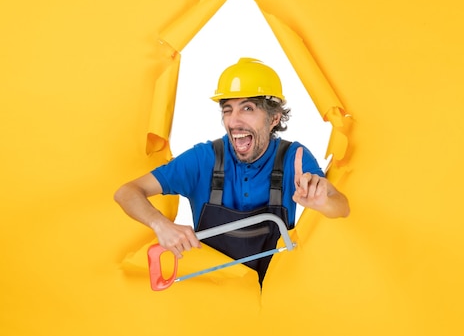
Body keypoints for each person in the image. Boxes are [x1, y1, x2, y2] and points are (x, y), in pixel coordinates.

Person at [114, 57, 350, 284]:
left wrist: (323, 202)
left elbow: (341, 206)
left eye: (247, 108)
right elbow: (127, 192)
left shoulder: (294, 158)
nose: (234, 121)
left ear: (274, 118)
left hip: (275, 294)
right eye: (227, 110)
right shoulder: (202, 159)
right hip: (216, 295)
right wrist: (160, 224)